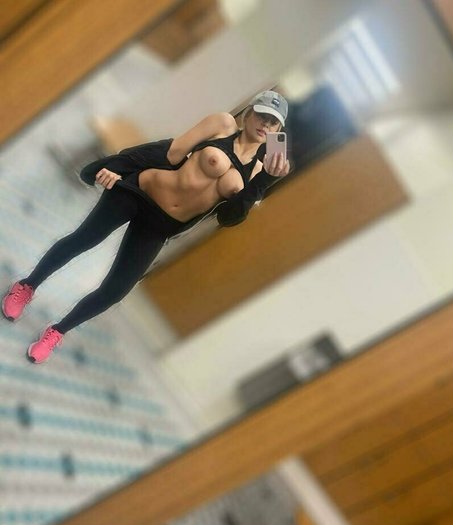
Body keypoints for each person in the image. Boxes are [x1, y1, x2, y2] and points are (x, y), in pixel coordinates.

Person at [2, 90, 290, 363]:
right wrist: (116, 164)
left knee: (116, 290)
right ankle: (26, 286)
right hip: (138, 191)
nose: (265, 124)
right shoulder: (223, 124)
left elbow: (229, 217)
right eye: (262, 115)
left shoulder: (257, 172)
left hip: (161, 226)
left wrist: (264, 182)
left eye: (273, 122)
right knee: (83, 240)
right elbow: (170, 151)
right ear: (249, 113)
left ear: (278, 131)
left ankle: (57, 332)